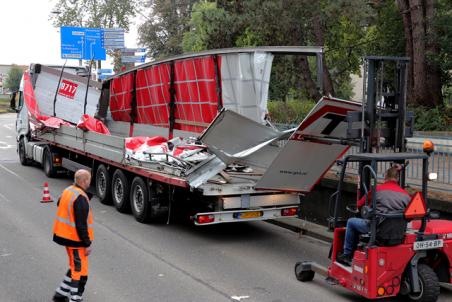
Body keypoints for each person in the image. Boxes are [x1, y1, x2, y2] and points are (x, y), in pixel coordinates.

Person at [337, 164, 410, 266]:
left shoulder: (377, 190)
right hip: (398, 233)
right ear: (397, 179)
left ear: (385, 177)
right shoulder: (406, 195)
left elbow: (359, 204)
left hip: (378, 230)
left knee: (351, 222)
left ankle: (347, 255)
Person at [52, 169, 94, 302]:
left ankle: (60, 294)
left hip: (64, 236)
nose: (90, 182)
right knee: (80, 271)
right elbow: (81, 225)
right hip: (75, 240)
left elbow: (60, 203)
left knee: (74, 267)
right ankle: (75, 298)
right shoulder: (80, 197)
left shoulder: (68, 190)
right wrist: (87, 243)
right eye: (89, 179)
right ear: (84, 181)